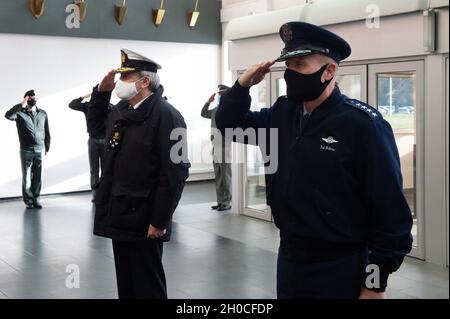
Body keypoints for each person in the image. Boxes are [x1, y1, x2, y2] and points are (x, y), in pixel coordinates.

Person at [216, 22, 413, 299]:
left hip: (341, 264)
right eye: (289, 65)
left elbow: (391, 214)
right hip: (290, 257)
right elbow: (230, 125)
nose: (291, 74)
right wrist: (241, 86)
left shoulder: (361, 125)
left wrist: (374, 283)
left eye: (301, 65)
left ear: (329, 71)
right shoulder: (282, 114)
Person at [87, 48, 190, 299]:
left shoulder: (169, 116)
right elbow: (96, 127)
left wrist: (160, 220)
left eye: (126, 77)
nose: (121, 82)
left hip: (145, 219)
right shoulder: (123, 110)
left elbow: (176, 173)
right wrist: (101, 93)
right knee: (127, 282)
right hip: (120, 211)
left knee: (147, 284)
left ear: (144, 82)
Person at [5, 90, 51, 209]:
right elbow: (8, 115)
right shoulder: (20, 113)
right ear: (27, 99)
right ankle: (28, 200)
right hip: (26, 150)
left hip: (40, 149)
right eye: (31, 97)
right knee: (26, 177)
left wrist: (47, 146)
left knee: (38, 176)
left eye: (35, 97)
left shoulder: (43, 113)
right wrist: (23, 102)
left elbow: (47, 131)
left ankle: (36, 199)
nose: (33, 99)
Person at [69, 93, 112, 201]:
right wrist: (83, 96)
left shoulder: (109, 106)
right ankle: (95, 193)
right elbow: (72, 104)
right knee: (94, 169)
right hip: (93, 140)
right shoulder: (88, 106)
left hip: (105, 140)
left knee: (105, 168)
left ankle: (104, 192)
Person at [201, 84, 232, 211]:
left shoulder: (229, 108)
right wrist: (208, 102)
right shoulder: (216, 109)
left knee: (225, 176)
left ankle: (227, 202)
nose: (219, 96)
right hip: (216, 146)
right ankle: (220, 201)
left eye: (221, 95)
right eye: (219, 95)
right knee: (218, 175)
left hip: (224, 146)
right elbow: (203, 113)